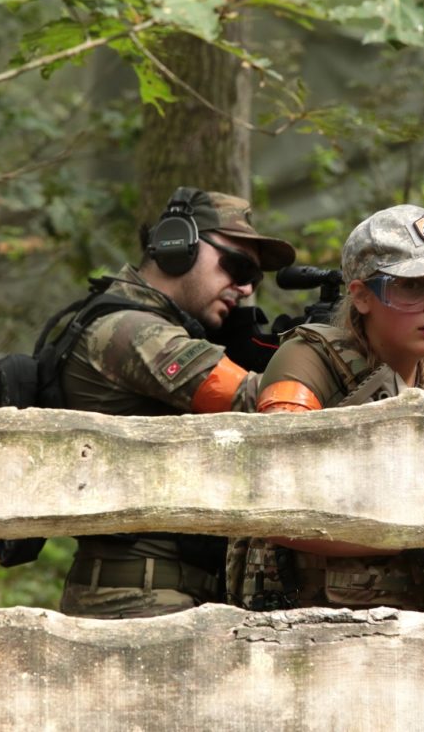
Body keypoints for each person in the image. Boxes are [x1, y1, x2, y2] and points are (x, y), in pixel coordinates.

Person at [234, 204, 424, 614]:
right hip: (318, 625)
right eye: (413, 287)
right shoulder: (309, 362)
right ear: (361, 296)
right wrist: (418, 535)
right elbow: (272, 500)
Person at [54, 186, 295, 618]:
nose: (243, 287)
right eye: (236, 266)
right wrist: (331, 352)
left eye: (253, 278)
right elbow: (256, 399)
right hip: (136, 600)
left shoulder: (153, 327)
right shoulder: (129, 330)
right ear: (176, 245)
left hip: (167, 593)